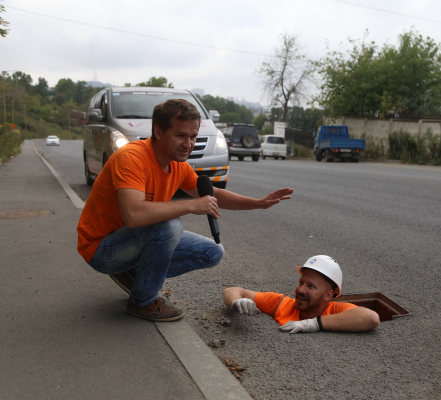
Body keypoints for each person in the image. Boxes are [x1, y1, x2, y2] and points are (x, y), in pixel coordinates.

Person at [77, 99, 293, 322]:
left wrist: (258, 203)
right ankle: (142, 301)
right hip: (102, 249)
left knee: (213, 252)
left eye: (193, 137)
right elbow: (134, 216)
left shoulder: (178, 165)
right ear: (159, 132)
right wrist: (191, 205)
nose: (188, 144)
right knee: (170, 226)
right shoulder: (132, 158)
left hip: (132, 243)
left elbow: (213, 193)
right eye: (181, 136)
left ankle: (135, 274)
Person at [222, 255, 380, 333]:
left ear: (328, 295)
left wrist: (313, 324)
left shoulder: (335, 310)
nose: (301, 290)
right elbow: (231, 291)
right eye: (301, 282)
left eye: (311, 286)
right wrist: (237, 302)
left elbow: (371, 318)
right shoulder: (281, 303)